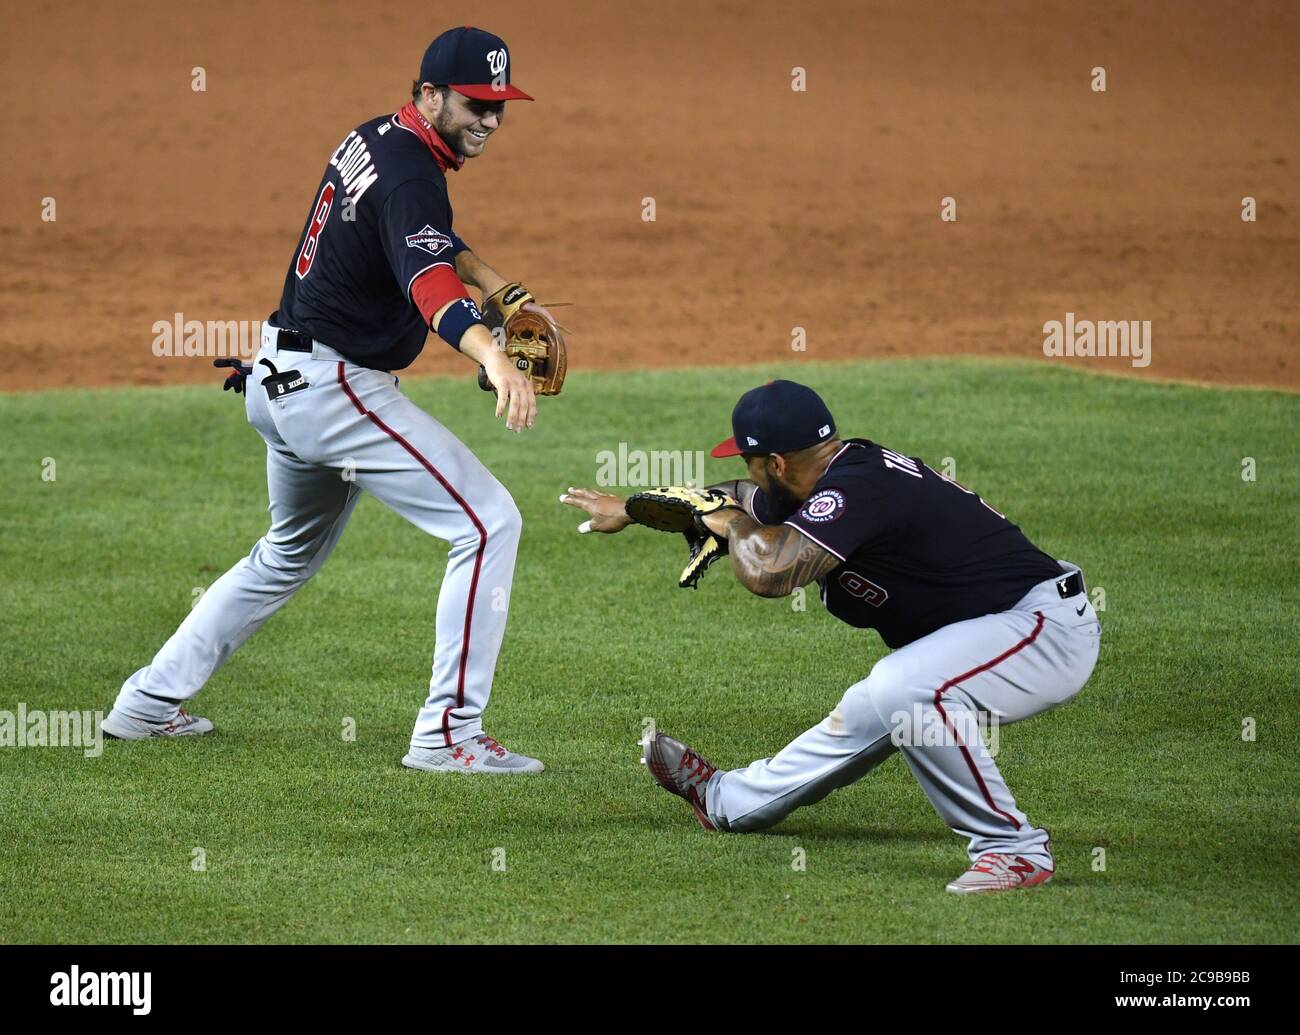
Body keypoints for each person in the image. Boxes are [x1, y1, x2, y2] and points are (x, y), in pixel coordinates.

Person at [104, 27, 551, 775]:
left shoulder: (378, 138)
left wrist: (491, 280)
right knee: (488, 521)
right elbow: (427, 283)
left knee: (284, 554)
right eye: (477, 104)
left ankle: (146, 702)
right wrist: (492, 354)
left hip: (277, 376)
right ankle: (448, 734)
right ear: (430, 96)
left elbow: (421, 239)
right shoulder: (412, 176)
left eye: (500, 105)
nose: (491, 119)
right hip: (334, 390)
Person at [561, 380, 1102, 891]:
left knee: (902, 687)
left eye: (750, 459)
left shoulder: (858, 488)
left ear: (777, 462)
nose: (747, 471)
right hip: (992, 630)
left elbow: (769, 572)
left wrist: (731, 525)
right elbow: (734, 497)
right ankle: (726, 800)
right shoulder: (818, 477)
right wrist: (631, 509)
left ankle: (1013, 850)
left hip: (1042, 631)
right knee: (868, 709)